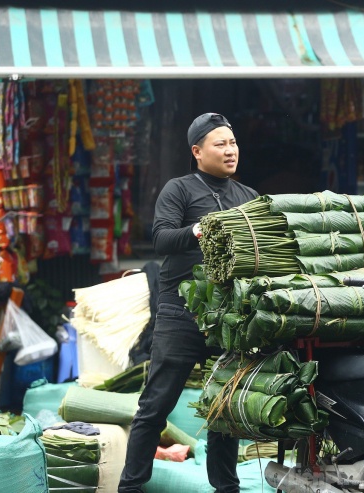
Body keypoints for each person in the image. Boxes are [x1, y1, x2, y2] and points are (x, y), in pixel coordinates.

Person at [119, 113, 258, 493]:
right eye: (220, 144)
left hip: (228, 316)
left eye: (233, 143)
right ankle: (130, 487)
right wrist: (199, 230)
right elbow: (161, 239)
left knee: (224, 406)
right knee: (156, 405)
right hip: (181, 312)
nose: (230, 151)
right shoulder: (178, 189)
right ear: (197, 151)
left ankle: (226, 487)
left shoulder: (248, 198)